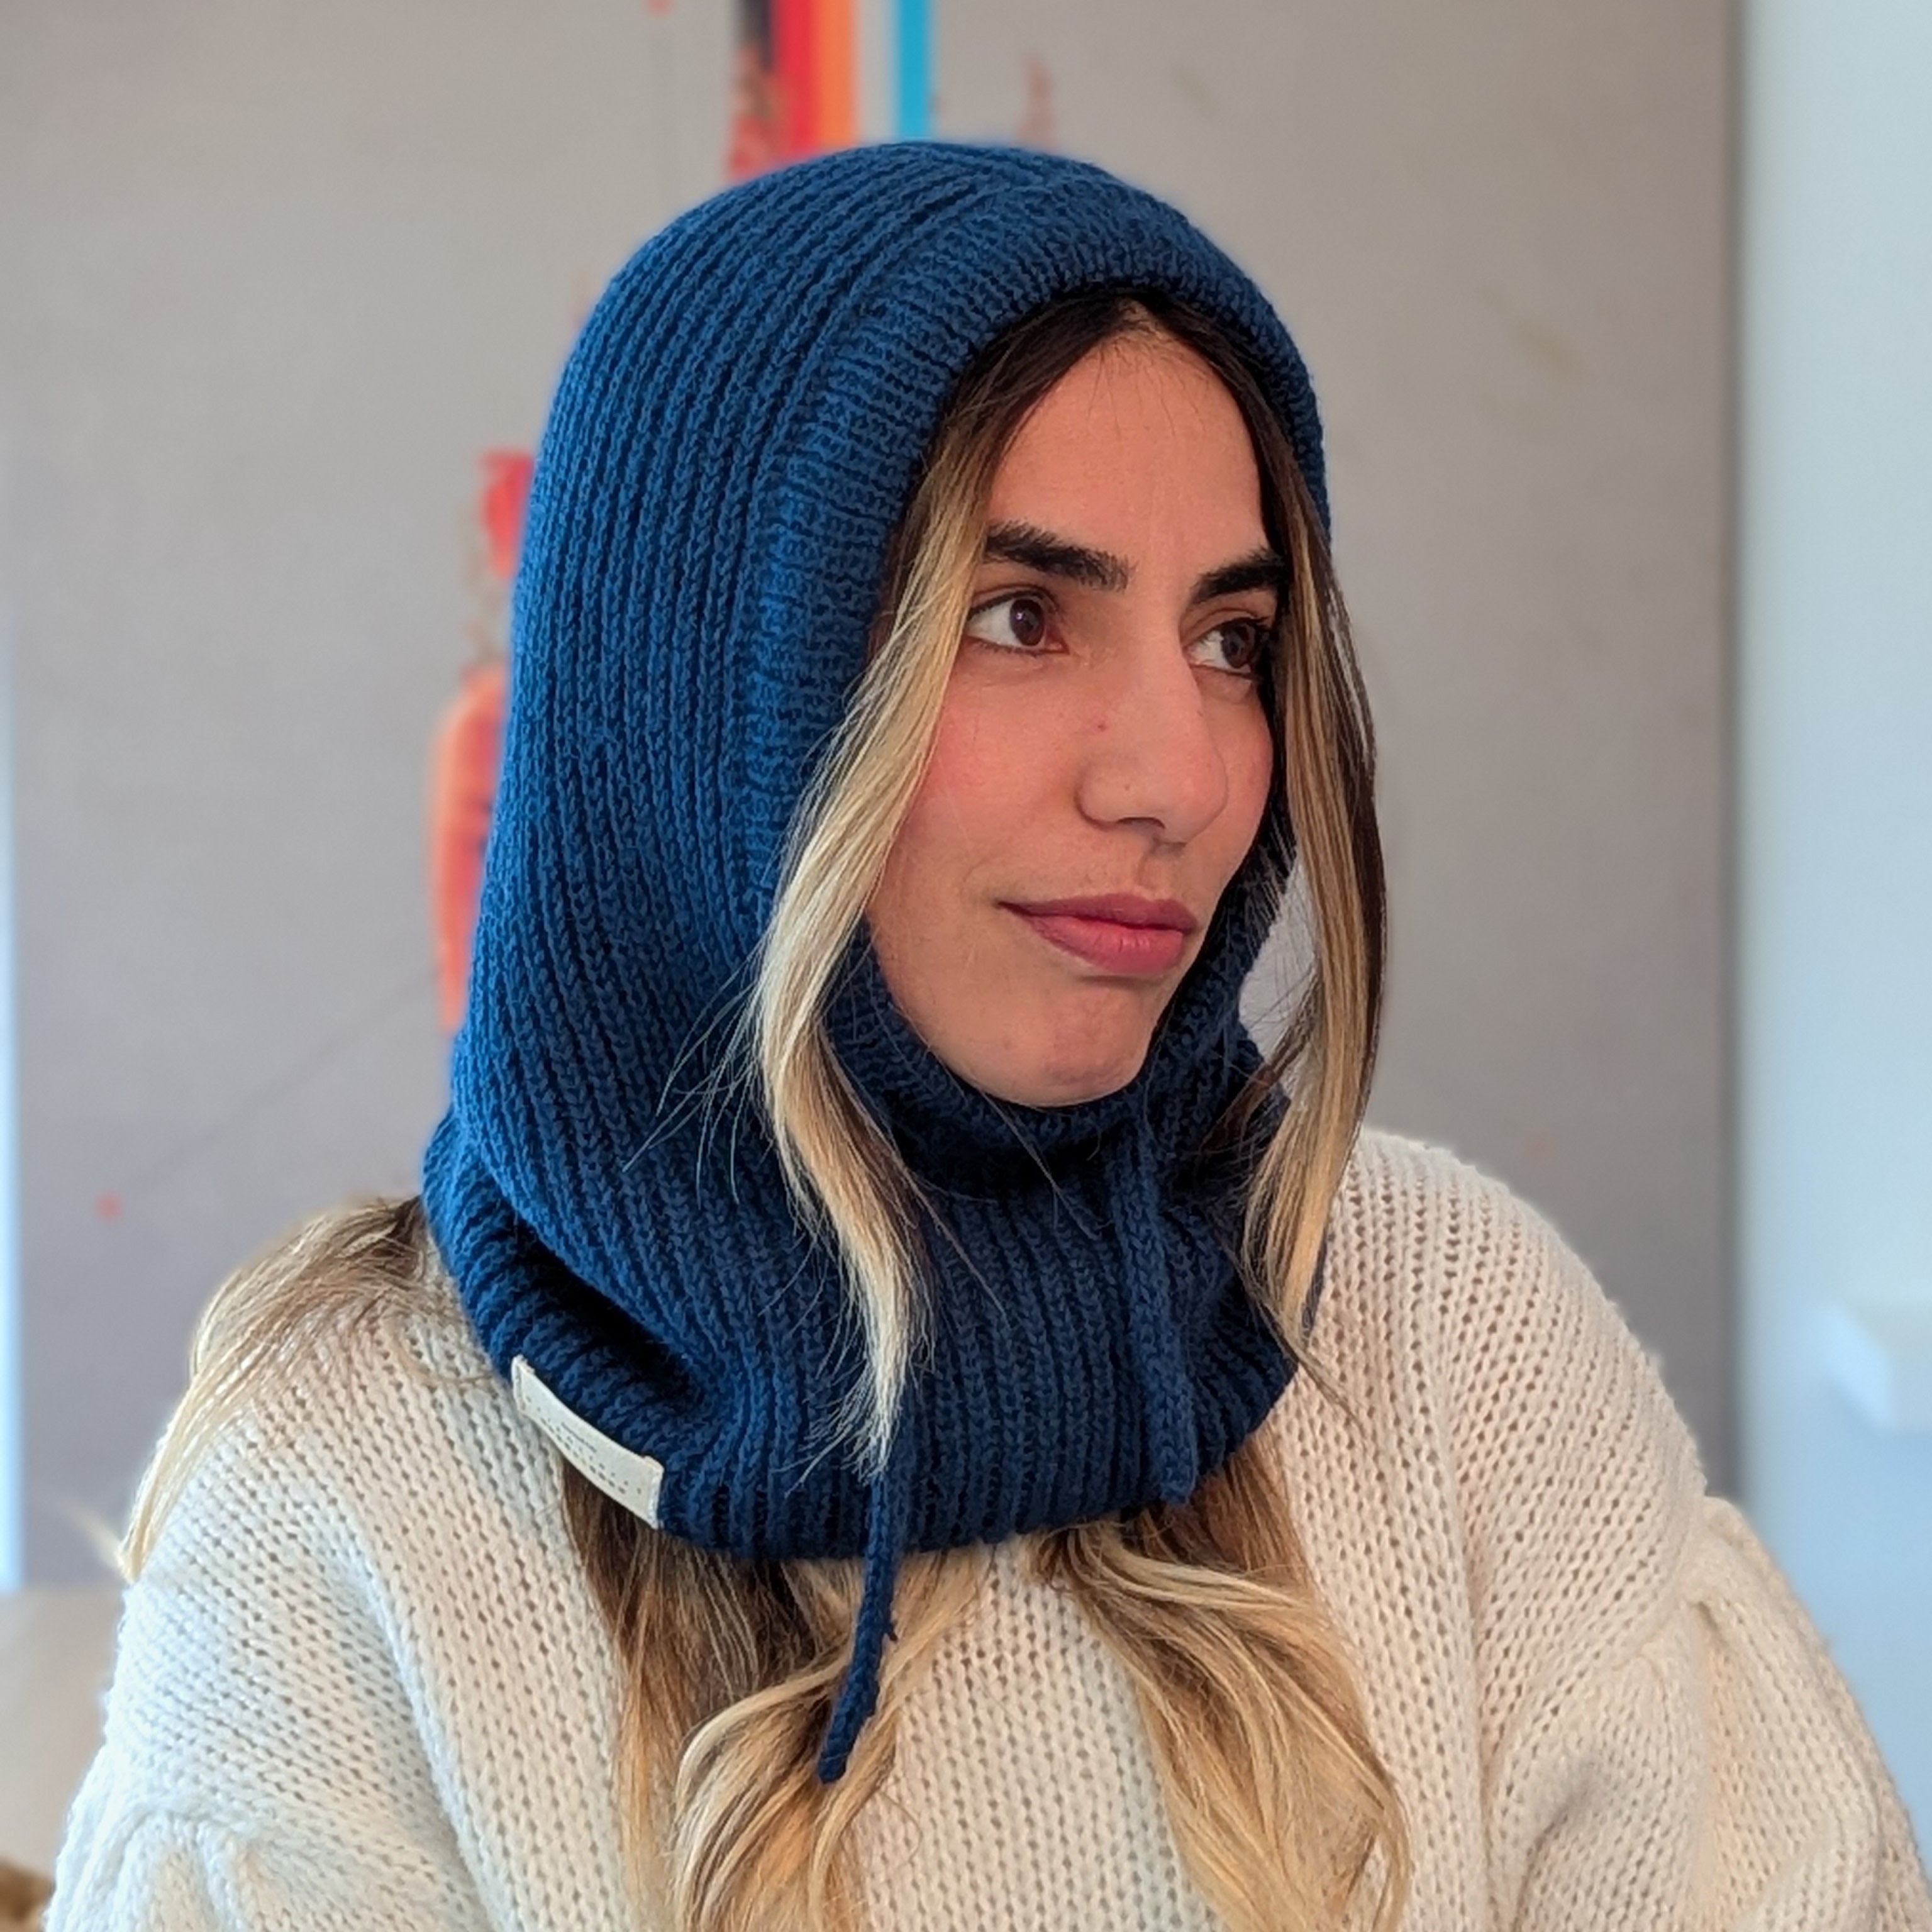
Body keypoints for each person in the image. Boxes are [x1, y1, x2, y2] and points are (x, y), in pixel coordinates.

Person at [50, 143, 1929, 1932]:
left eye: (1233, 641)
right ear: (713, 686)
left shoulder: (1449, 1340)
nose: (1183, 777)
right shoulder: (350, 1499)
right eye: (1020, 615)